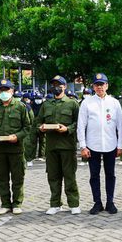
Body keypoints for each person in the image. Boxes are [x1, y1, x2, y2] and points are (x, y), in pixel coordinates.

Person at [77, 73, 122, 215]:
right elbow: (81, 125)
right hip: (93, 145)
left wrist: (120, 145)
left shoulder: (114, 103)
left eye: (102, 84)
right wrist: (83, 146)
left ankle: (110, 202)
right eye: (97, 84)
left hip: (110, 144)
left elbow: (120, 126)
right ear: (93, 86)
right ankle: (97, 202)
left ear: (107, 86)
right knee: (94, 175)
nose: (100, 87)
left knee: (110, 174)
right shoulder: (87, 103)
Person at [35, 75, 81, 215]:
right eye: (54, 84)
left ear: (65, 86)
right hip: (51, 146)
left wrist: (68, 129)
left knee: (69, 176)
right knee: (53, 177)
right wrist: (41, 127)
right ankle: (55, 204)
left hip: (67, 146)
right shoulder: (46, 104)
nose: (56, 87)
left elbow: (78, 123)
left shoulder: (72, 104)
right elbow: (37, 122)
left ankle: (74, 204)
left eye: (59, 85)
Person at [0, 79, 31, 215]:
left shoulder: (20, 107)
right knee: (0, 177)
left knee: (18, 177)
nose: (4, 92)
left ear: (12, 91)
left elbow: (27, 127)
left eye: (6, 90)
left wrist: (17, 136)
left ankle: (17, 203)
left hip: (16, 149)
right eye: (1, 90)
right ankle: (5, 204)